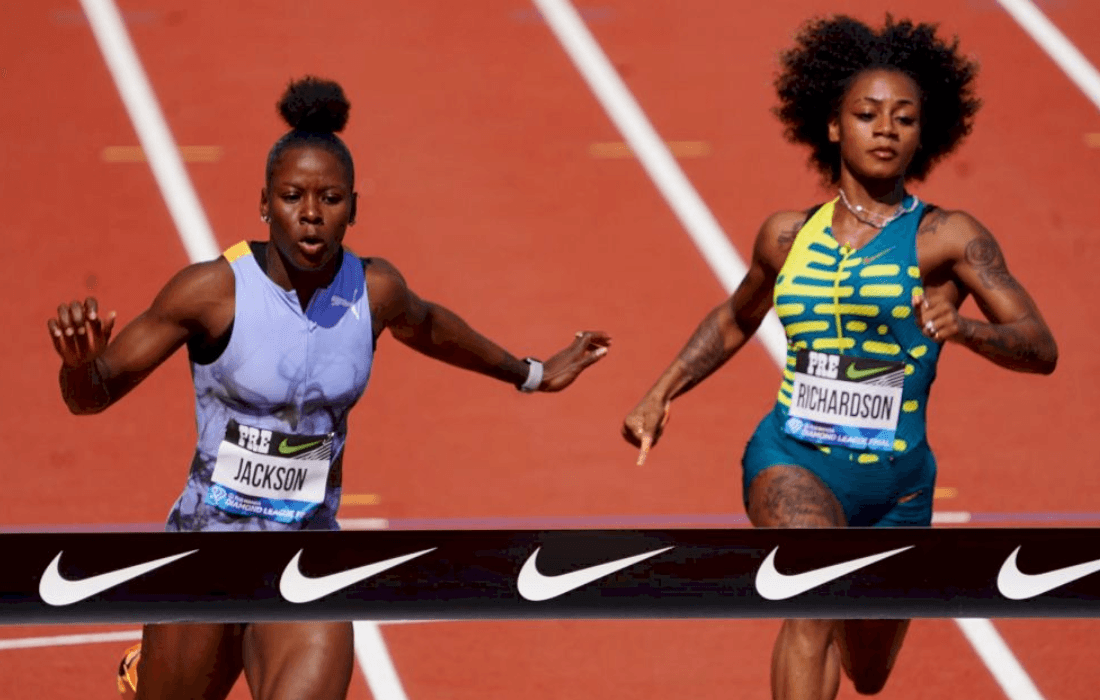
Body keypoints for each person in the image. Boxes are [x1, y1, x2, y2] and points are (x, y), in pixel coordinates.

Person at [48, 76, 610, 700]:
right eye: (292, 196)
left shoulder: (373, 291)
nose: (310, 213)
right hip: (205, 550)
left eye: (330, 197)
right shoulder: (211, 292)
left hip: (305, 552)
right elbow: (93, 395)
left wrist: (530, 372)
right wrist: (80, 366)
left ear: (354, 207)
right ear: (264, 204)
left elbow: (431, 327)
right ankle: (148, 667)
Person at [622, 15, 1056, 700]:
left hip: (899, 485)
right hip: (792, 456)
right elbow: (738, 316)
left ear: (924, 134)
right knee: (812, 591)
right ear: (832, 126)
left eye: (905, 119)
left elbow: (1041, 347)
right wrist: (661, 391)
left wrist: (968, 332)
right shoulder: (786, 235)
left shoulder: (947, 239)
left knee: (871, 670)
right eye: (867, 114)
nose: (886, 129)